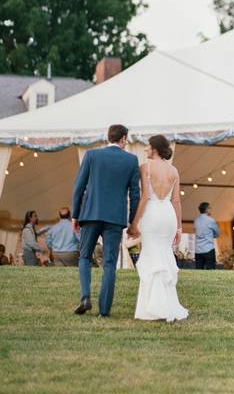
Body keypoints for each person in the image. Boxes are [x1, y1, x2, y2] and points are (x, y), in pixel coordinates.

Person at [71, 124, 142, 317]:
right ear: (124, 139)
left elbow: (79, 187)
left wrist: (75, 215)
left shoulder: (91, 156)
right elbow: (136, 194)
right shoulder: (131, 160)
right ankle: (104, 310)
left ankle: (85, 297)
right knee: (109, 263)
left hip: (90, 213)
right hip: (115, 218)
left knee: (85, 257)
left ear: (108, 137)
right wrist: (132, 221)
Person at [131, 134, 189, 321]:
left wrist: (134, 223)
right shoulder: (174, 170)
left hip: (153, 214)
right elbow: (177, 200)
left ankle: (153, 308)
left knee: (151, 256)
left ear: (154, 148)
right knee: (163, 255)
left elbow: (146, 196)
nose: (146, 149)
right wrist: (179, 228)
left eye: (147, 146)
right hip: (168, 215)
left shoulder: (144, 168)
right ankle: (167, 304)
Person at [194, 202, 220, 270]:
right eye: (210, 208)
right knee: (211, 271)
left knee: (198, 271)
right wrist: (212, 235)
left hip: (198, 250)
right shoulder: (210, 220)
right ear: (207, 209)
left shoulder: (196, 220)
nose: (211, 210)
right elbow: (217, 233)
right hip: (208, 249)